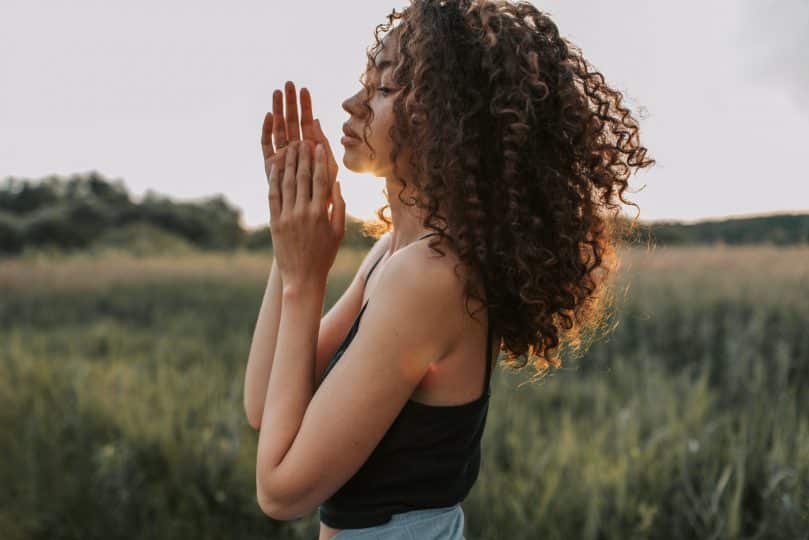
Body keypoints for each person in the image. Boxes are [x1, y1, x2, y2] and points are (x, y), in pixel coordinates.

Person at [245, 1, 655, 538]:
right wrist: (292, 239)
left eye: (385, 89)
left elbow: (280, 490)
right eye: (365, 82)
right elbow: (264, 407)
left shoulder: (431, 275)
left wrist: (305, 279)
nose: (352, 103)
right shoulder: (394, 253)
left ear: (447, 116)